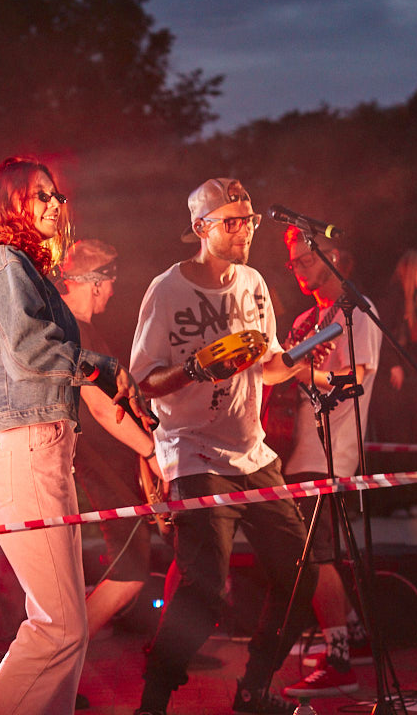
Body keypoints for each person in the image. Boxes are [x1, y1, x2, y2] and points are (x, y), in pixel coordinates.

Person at [0, 157, 155, 715]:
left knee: (69, 630)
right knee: (59, 628)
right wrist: (104, 367)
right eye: (38, 196)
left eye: (55, 196)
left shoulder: (25, 269)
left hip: (42, 449)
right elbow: (29, 354)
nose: (53, 205)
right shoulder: (3, 264)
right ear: (5, 206)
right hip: (20, 450)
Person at [129, 178, 322, 715]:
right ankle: (153, 701)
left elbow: (271, 365)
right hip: (193, 453)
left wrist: (305, 360)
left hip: (252, 453)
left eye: (250, 220)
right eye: (232, 222)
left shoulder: (255, 284)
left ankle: (254, 689)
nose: (245, 231)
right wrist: (195, 367)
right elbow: (143, 380)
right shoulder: (167, 290)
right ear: (201, 227)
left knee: (298, 574)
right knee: (206, 589)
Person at [276, 227, 382, 698]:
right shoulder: (305, 320)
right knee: (320, 556)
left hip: (328, 451)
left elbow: (354, 376)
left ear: (333, 255)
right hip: (293, 449)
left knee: (318, 558)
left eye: (304, 260)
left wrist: (299, 369)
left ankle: (339, 660)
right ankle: (354, 638)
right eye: (292, 262)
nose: (297, 269)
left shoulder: (358, 311)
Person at [57, 240, 160, 640]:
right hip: (98, 461)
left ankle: (60, 668)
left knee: (133, 567)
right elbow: (99, 408)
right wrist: (151, 452)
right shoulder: (74, 330)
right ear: (96, 282)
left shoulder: (80, 329)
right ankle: (59, 666)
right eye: (111, 282)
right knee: (131, 570)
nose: (114, 292)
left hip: (102, 460)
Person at [373, 249, 417, 445]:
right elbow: (382, 334)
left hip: (414, 379)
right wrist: (393, 364)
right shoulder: (392, 300)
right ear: (413, 271)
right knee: (400, 433)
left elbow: (416, 340)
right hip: (396, 382)